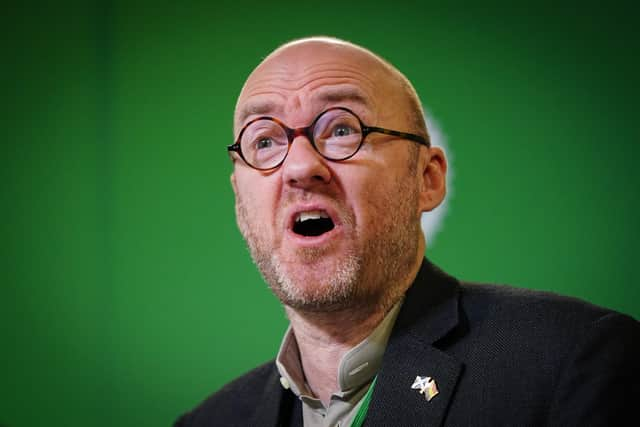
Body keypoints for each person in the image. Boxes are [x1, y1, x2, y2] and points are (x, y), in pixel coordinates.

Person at [175, 36, 639, 426]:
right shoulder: (208, 421)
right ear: (241, 203)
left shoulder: (573, 363)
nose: (299, 166)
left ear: (427, 179)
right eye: (265, 141)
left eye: (341, 129)